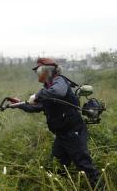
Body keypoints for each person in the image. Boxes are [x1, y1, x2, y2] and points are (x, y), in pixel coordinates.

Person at [16, 58, 99, 187]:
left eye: (38, 70)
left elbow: (58, 92)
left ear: (47, 71)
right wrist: (18, 105)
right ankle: (64, 186)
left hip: (73, 132)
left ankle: (100, 187)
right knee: (57, 165)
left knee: (84, 165)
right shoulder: (48, 88)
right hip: (62, 134)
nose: (37, 74)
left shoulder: (60, 81)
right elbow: (37, 107)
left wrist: (37, 95)